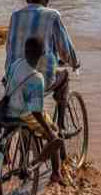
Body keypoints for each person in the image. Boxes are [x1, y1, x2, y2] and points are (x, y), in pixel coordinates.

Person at [4, 0, 80, 166]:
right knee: (64, 78)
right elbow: (64, 49)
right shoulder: (52, 15)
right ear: (46, 1)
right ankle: (59, 126)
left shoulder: (15, 16)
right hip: (38, 78)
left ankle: (10, 149)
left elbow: (9, 48)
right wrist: (74, 63)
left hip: (12, 76)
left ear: (27, 0)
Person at [5, 36, 66, 185]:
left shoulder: (15, 64)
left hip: (8, 109)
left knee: (49, 128)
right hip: (25, 114)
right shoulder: (37, 78)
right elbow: (36, 111)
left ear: (25, 51)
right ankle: (46, 170)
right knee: (55, 135)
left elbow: (6, 81)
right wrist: (49, 131)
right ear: (42, 54)